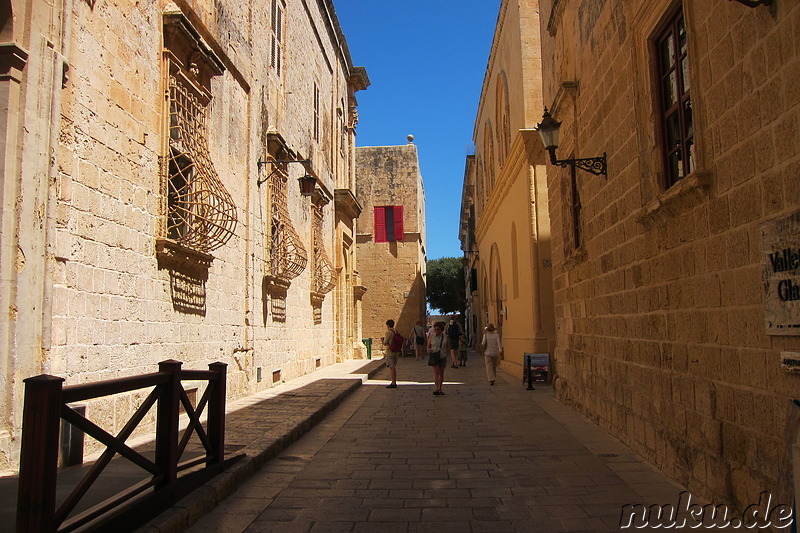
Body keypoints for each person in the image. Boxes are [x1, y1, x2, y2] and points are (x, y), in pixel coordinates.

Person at [427, 321, 449, 395]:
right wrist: (428, 350)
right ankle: (437, 388)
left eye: (438, 329)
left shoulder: (445, 337)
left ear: (441, 330)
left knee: (441, 373)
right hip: (434, 355)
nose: (436, 331)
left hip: (442, 356)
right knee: (436, 372)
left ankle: (440, 388)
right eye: (435, 329)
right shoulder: (432, 336)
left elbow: (448, 346)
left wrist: (447, 353)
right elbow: (428, 345)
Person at [382, 319, 400, 388]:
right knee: (393, 367)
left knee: (392, 368)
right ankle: (394, 381)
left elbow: (385, 343)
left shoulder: (389, 332)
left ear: (388, 325)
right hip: (396, 351)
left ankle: (393, 382)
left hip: (390, 352)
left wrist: (382, 340)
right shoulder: (396, 331)